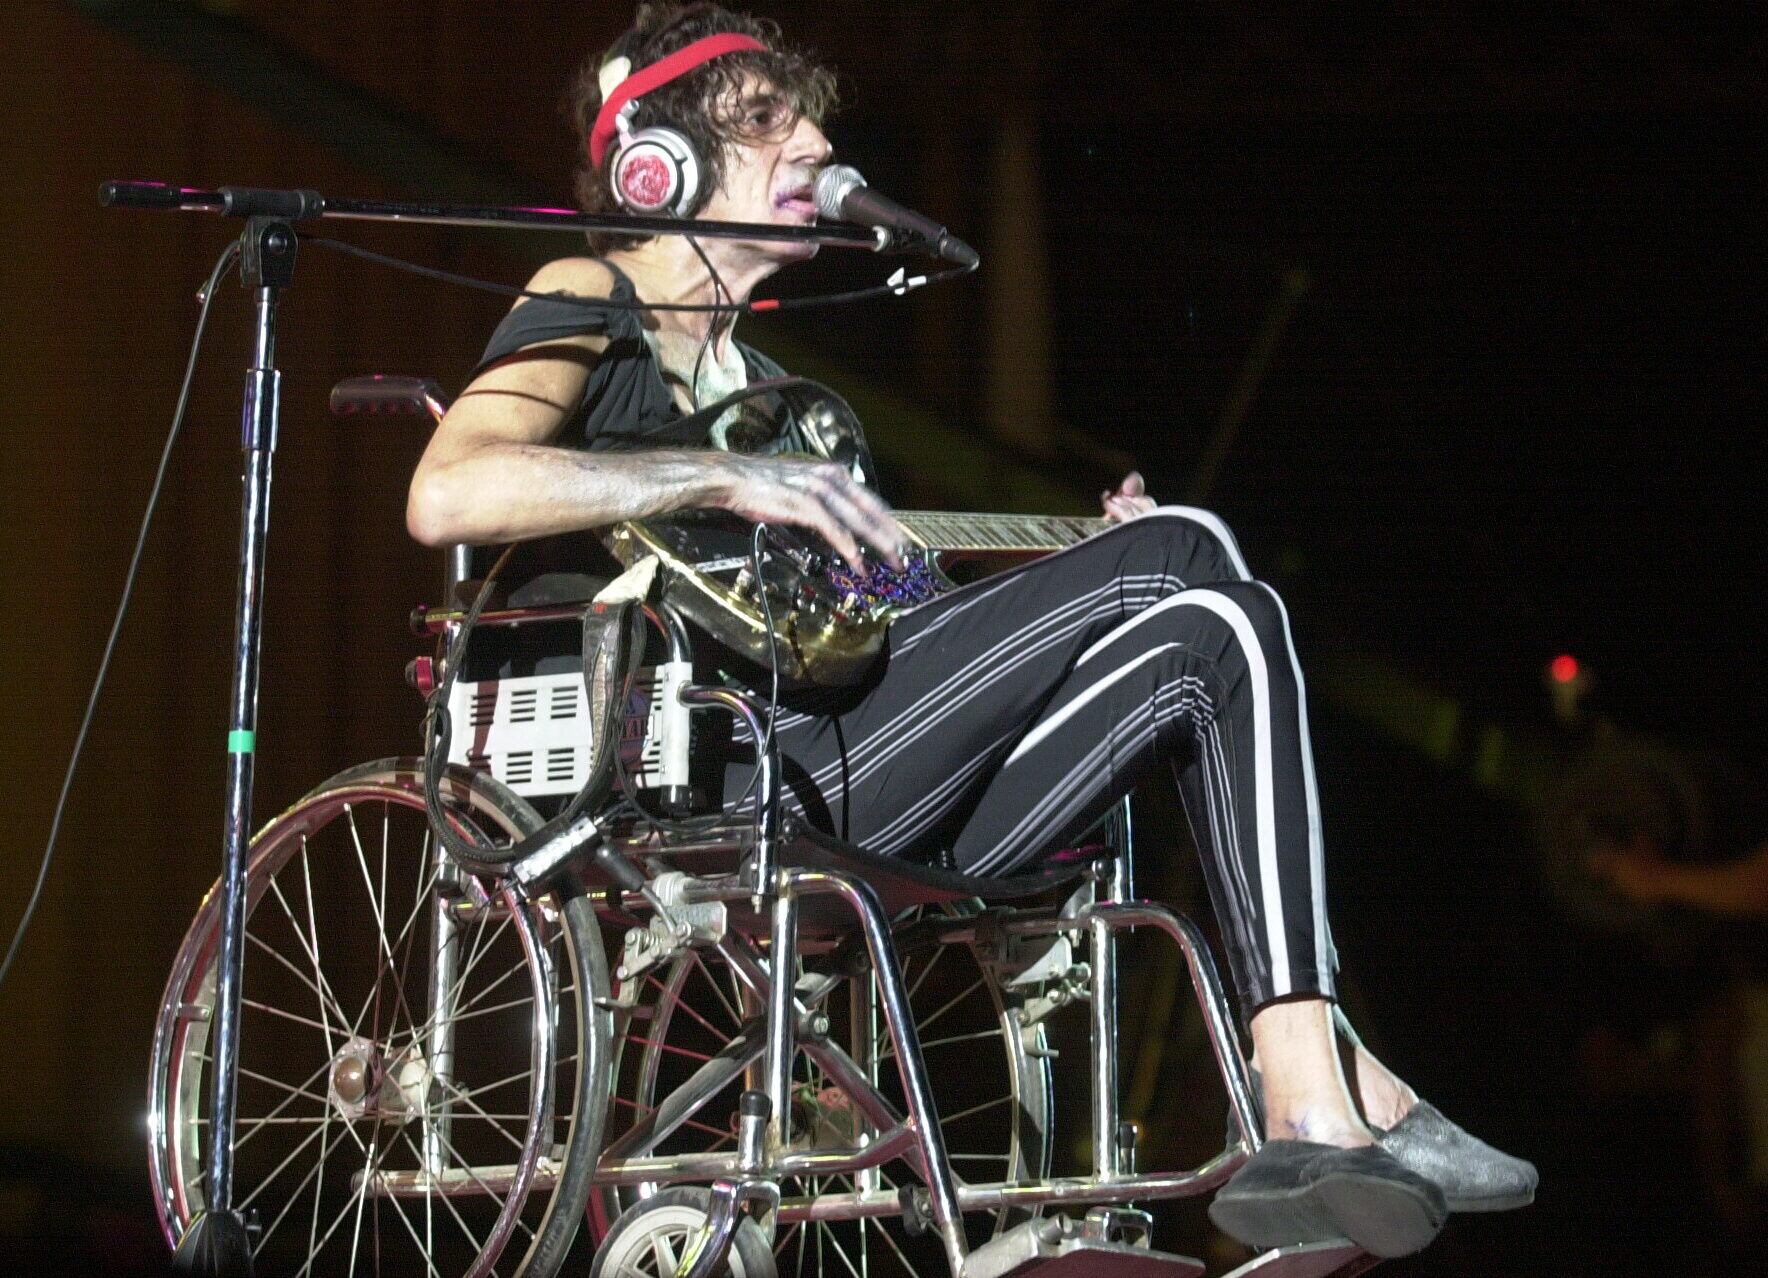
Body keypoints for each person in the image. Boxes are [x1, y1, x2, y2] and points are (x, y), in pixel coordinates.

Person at [406, 2, 1535, 1258]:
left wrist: (1094, 563)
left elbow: (899, 627)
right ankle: (1323, 1088)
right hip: (732, 779)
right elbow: (449, 489)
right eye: (770, 121)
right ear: (654, 165)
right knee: (1190, 567)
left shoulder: (798, 413)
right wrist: (715, 478)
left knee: (1202, 586)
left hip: (870, 767)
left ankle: (1322, 1080)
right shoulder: (588, 293)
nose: (816, 147)